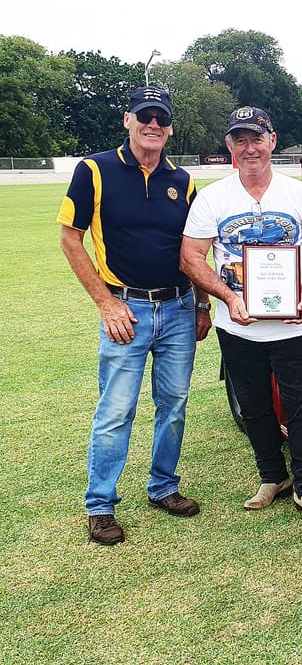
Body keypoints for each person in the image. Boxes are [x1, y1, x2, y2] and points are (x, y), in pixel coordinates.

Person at [58, 86, 212, 546]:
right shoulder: (94, 170)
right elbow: (70, 239)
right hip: (127, 308)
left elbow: (195, 249)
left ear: (169, 127)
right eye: (144, 116)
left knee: (175, 405)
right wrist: (106, 302)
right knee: (116, 410)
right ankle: (101, 504)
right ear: (127, 120)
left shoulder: (182, 181)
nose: (153, 125)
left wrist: (203, 304)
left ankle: (163, 486)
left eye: (161, 119)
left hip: (180, 307)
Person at [180, 106, 302, 526]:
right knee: (253, 406)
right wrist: (228, 298)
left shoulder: (299, 194)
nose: (250, 148)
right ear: (229, 146)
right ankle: (272, 477)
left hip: (292, 324)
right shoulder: (213, 196)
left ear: (272, 140)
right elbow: (191, 257)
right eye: (240, 140)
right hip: (238, 325)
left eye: (257, 138)